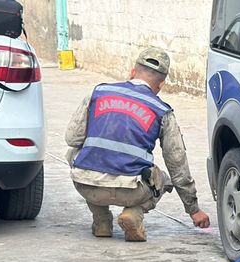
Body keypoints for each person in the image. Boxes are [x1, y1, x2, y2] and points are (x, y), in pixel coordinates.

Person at [65, 47, 210, 241]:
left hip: (88, 185)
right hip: (131, 191)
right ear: (161, 84)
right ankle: (134, 213)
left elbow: (72, 138)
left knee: (74, 153)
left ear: (133, 73)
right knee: (165, 178)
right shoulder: (161, 110)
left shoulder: (98, 92)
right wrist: (193, 210)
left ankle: (101, 220)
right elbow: (178, 164)